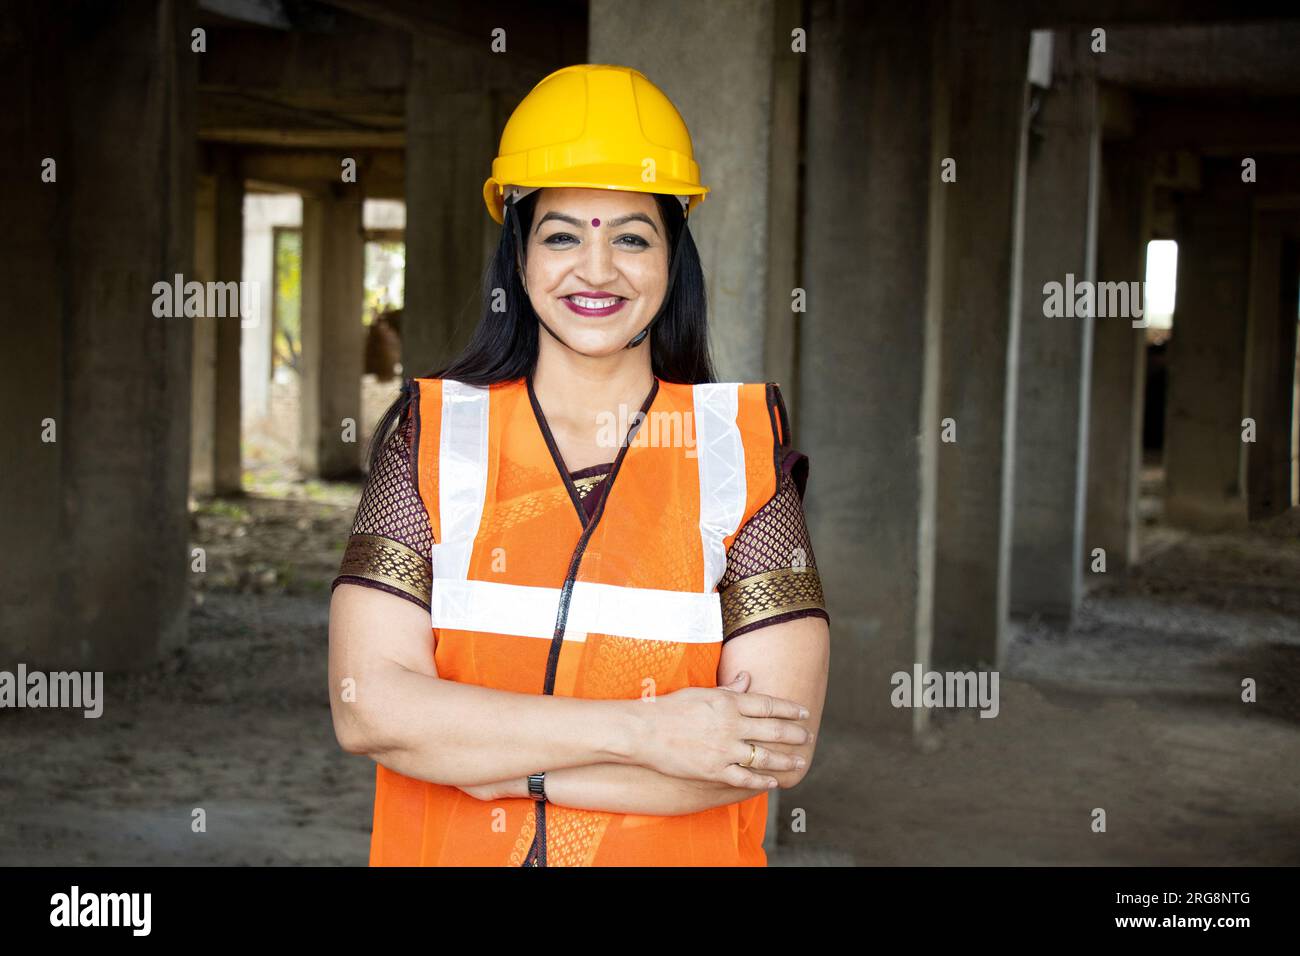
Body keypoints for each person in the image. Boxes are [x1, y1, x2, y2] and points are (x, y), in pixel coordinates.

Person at [328, 63, 830, 866]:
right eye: (563, 235)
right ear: (519, 256)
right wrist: (648, 734)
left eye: (631, 236)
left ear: (674, 258)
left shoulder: (740, 451)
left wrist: (496, 764)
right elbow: (369, 711)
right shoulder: (430, 438)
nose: (596, 271)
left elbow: (770, 751)